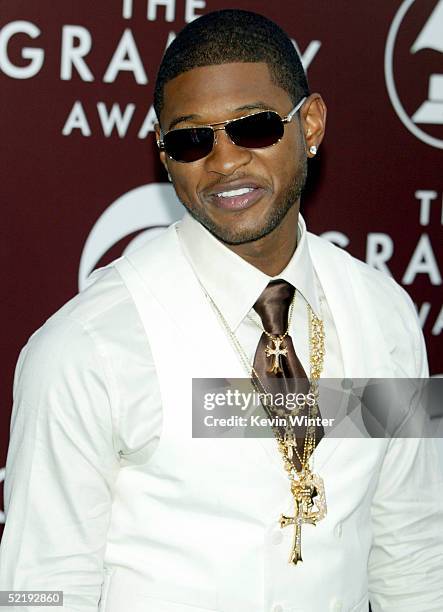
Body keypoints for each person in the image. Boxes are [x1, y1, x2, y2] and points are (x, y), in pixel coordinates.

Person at [0, 9, 442, 612]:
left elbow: (415, 552)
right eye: (191, 139)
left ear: (309, 125)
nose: (225, 161)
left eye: (255, 127)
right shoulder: (85, 348)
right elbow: (38, 590)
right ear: (163, 155)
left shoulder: (387, 316)